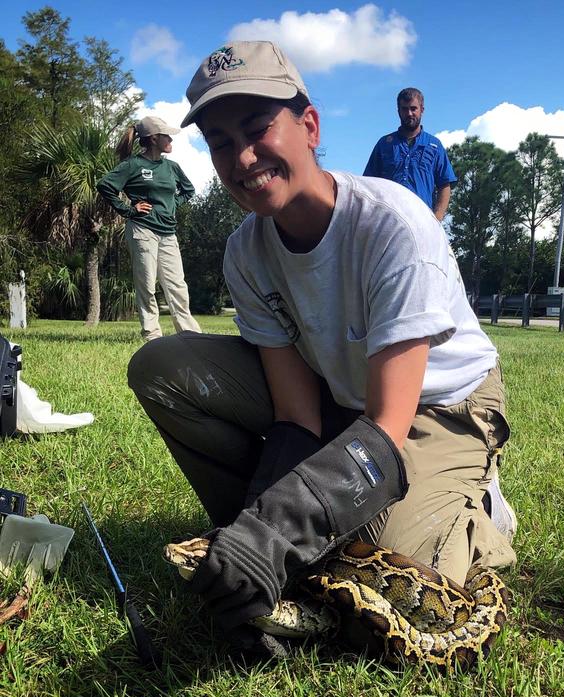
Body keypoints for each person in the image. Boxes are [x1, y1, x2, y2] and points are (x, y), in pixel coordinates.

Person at [126, 41, 516, 653]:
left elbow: (387, 424)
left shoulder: (393, 225)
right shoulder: (245, 251)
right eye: (221, 143)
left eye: (258, 129)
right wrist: (261, 542)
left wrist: (278, 537)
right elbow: (296, 416)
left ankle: (480, 508)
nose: (243, 157)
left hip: (437, 405)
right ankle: (246, 543)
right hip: (339, 395)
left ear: (309, 127)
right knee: (163, 367)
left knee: (395, 568)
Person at [97, 116, 201, 341]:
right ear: (154, 138)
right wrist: (128, 209)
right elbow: (105, 185)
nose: (171, 139)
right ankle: (152, 335)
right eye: (166, 135)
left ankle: (190, 334)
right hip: (142, 230)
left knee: (177, 286)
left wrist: (173, 206)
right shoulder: (133, 165)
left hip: (168, 232)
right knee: (147, 284)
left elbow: (188, 191)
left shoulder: (172, 167)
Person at [363, 88, 457, 221]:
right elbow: (369, 184)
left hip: (423, 221)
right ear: (398, 111)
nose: (409, 113)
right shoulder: (384, 144)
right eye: (404, 109)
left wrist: (437, 218)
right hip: (388, 221)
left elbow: (445, 185)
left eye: (414, 108)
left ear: (422, 110)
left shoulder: (434, 146)